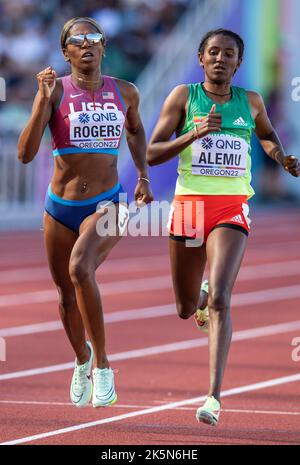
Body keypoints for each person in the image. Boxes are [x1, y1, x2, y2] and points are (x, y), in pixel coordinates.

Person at [147, 29, 300, 426]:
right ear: (201, 58)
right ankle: (197, 299)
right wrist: (195, 132)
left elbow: (266, 135)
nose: (220, 59)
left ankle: (213, 397)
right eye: (213, 52)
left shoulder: (250, 101)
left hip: (232, 206)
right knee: (185, 308)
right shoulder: (184, 97)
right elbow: (152, 152)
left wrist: (281, 157)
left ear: (238, 62)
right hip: (190, 207)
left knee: (221, 298)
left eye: (228, 54)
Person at [18, 17, 153, 408]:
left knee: (81, 269)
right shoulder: (54, 91)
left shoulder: (126, 92)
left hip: (109, 203)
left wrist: (143, 175)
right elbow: (25, 155)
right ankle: (82, 359)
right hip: (60, 208)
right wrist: (42, 100)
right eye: (79, 40)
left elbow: (135, 130)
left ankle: (105, 367)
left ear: (104, 48)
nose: (88, 44)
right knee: (64, 294)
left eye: (95, 38)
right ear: (66, 52)